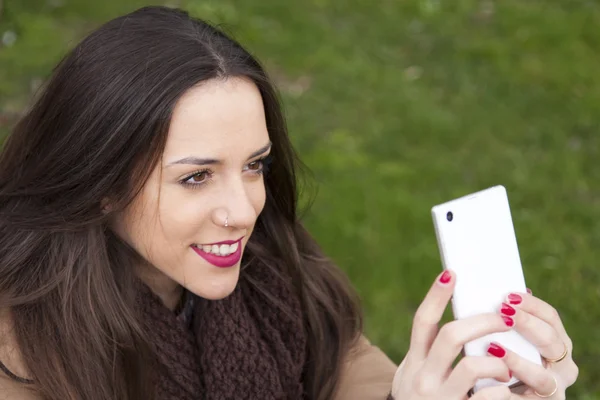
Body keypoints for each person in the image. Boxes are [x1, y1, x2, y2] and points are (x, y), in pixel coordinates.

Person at [0, 6, 578, 400]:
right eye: (196, 177)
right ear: (99, 182)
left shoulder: (275, 273)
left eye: (255, 165)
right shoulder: (27, 356)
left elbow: (352, 370)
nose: (244, 210)